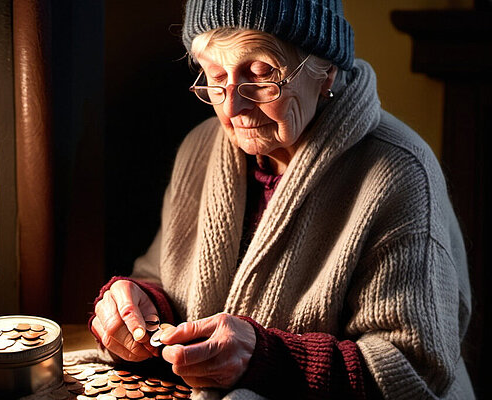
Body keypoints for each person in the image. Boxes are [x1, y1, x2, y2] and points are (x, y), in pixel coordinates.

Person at [90, 0, 475, 398]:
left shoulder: (398, 172)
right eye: (216, 77)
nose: (233, 106)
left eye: (260, 75)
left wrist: (267, 359)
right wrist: (138, 307)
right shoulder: (200, 148)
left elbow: (412, 370)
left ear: (325, 70)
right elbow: (160, 277)